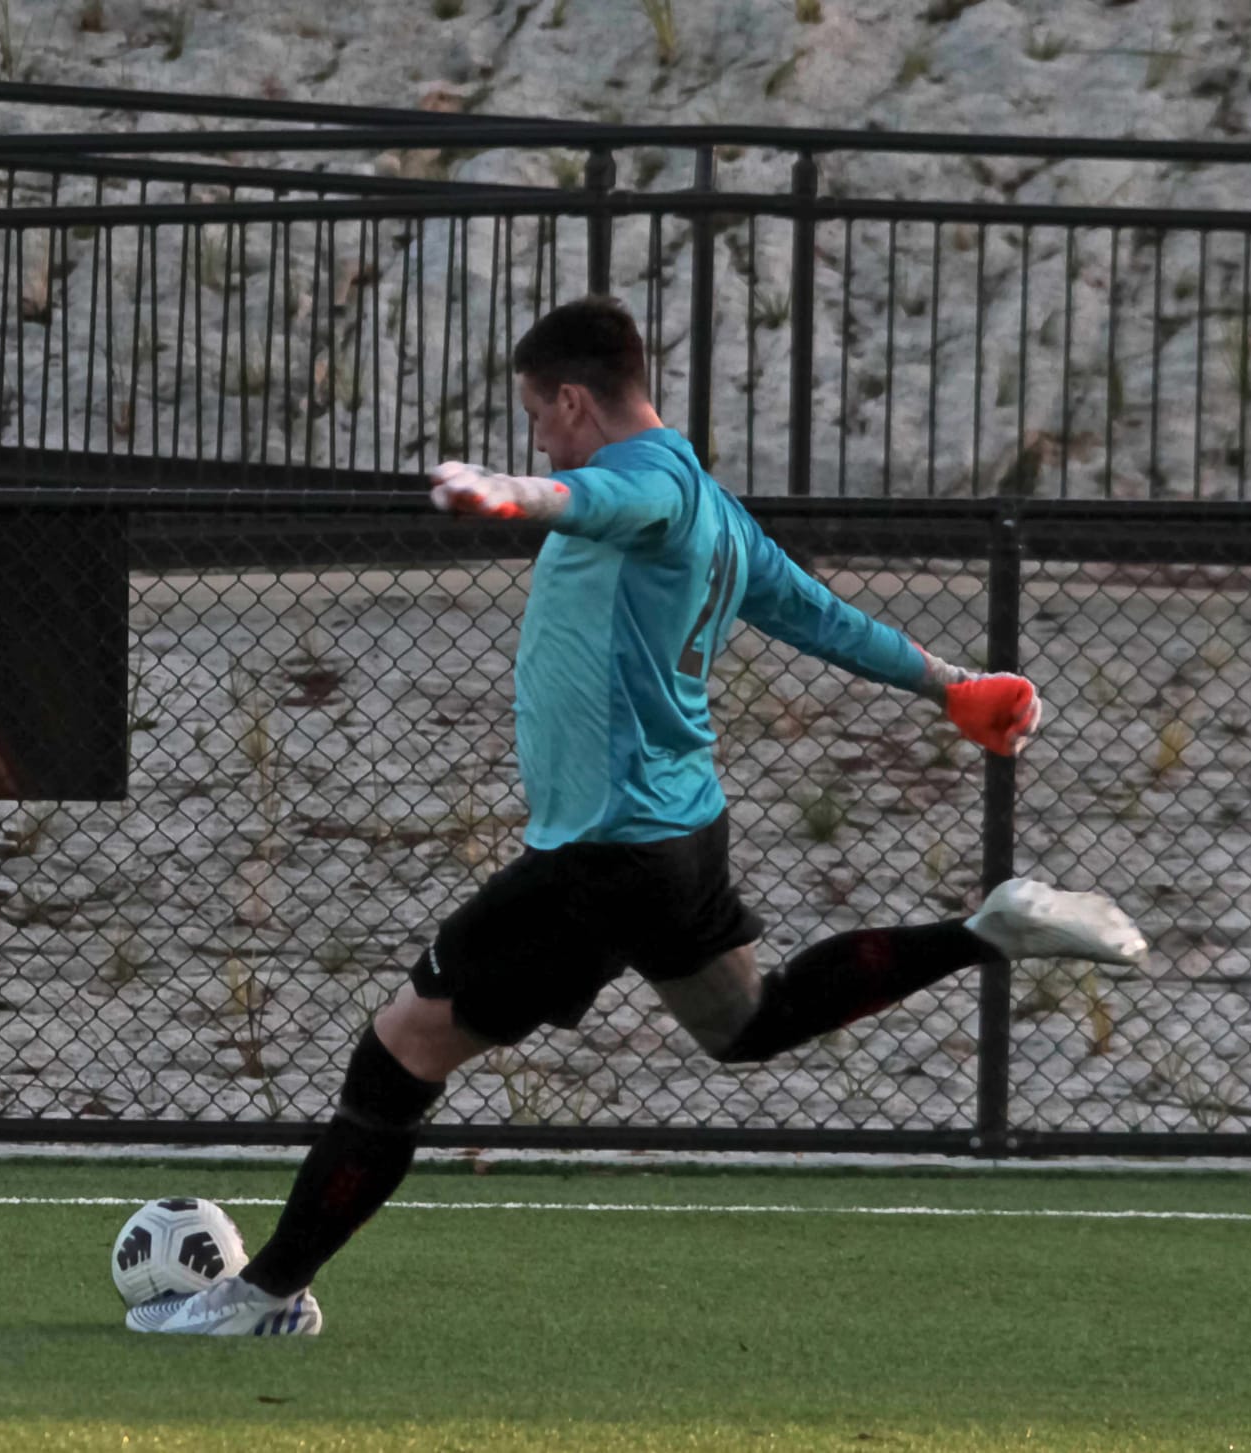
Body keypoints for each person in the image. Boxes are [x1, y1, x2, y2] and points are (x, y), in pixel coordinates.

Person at [126, 295, 1147, 1338]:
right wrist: (951, 684)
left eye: (537, 415)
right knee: (747, 1022)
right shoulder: (714, 509)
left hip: (599, 855)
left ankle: (262, 1295)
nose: (537, 436)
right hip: (679, 839)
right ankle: (988, 928)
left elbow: (591, 497)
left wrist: (508, 492)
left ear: (573, 400)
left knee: (398, 1053)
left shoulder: (646, 485)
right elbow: (817, 614)